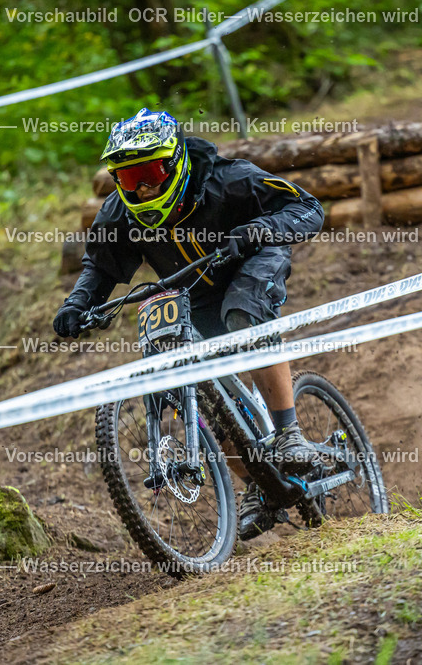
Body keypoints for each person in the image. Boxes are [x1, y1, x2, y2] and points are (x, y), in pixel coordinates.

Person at [53, 108, 324, 540]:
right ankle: (259, 484)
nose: (140, 188)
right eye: (127, 178)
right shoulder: (119, 214)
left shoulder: (228, 179)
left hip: (251, 259)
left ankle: (289, 433)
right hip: (192, 288)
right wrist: (77, 304)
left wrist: (257, 230)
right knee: (209, 397)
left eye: (150, 173)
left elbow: (307, 206)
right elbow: (100, 268)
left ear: (176, 161)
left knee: (243, 315)